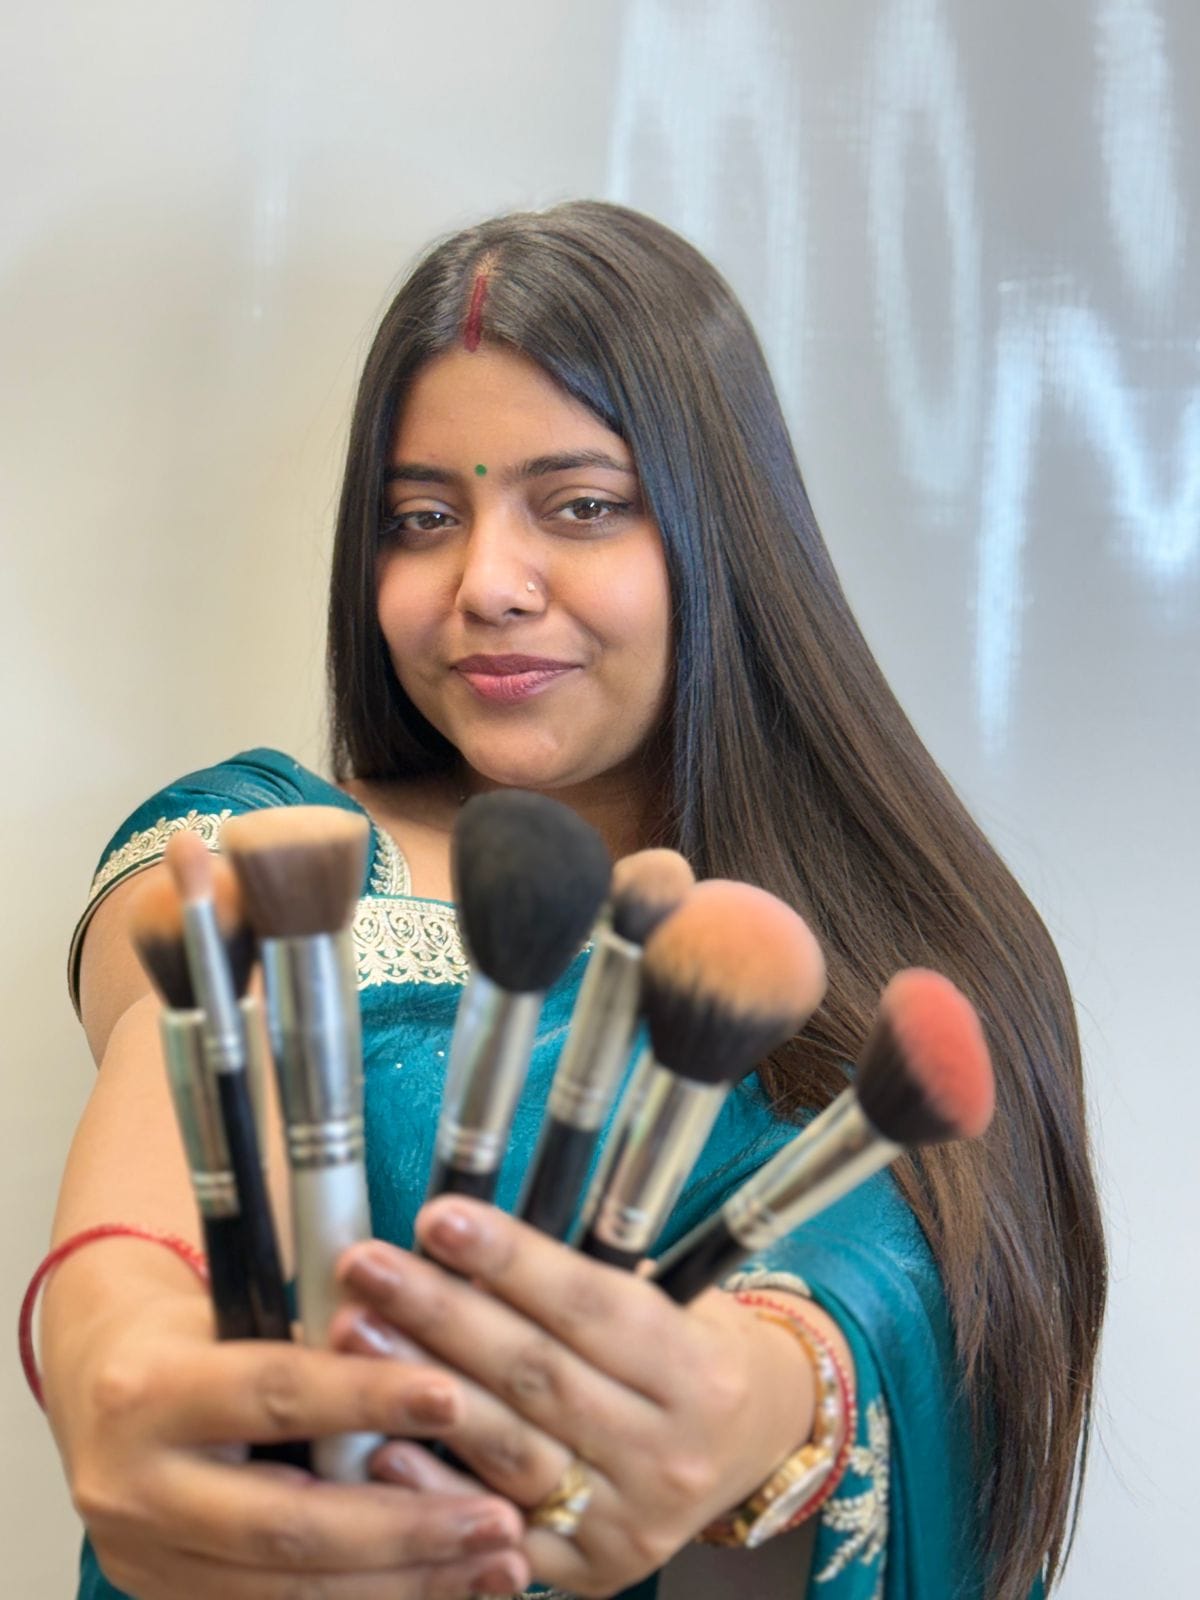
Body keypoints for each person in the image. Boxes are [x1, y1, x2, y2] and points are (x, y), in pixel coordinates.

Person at [34, 201, 1106, 1600]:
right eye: (423, 519)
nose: (486, 584)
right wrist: (110, 1328)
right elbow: (165, 1086)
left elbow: (894, 1292)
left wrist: (759, 1397)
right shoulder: (264, 841)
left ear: (722, 533)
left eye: (582, 505)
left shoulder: (920, 966)